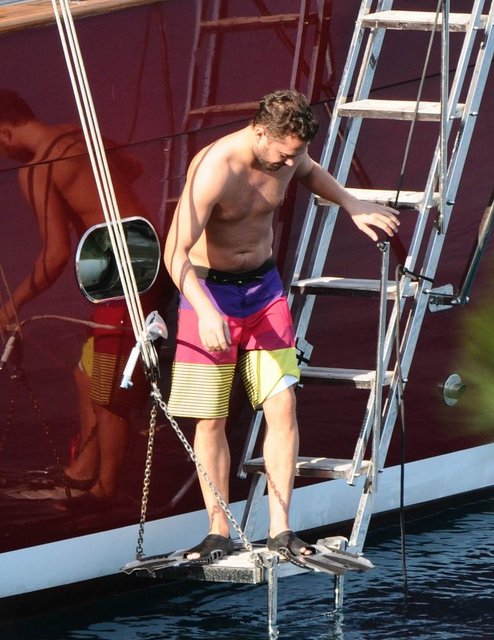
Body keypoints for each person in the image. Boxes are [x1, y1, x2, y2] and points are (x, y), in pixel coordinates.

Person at [164, 89, 399, 563]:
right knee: (211, 417)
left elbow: (310, 171)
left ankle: (281, 530)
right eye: (285, 154)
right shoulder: (216, 168)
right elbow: (174, 252)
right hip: (208, 293)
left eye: (298, 153)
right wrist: (206, 311)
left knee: (283, 404)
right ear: (259, 133)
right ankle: (218, 531)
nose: (292, 162)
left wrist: (351, 203)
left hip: (264, 292)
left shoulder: (290, 155)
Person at [0, 88, 159, 502]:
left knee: (109, 389)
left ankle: (104, 490)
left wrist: (10, 305)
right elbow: (135, 166)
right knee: (85, 372)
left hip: (125, 274)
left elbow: (54, 256)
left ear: (4, 133)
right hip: (145, 255)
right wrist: (91, 202)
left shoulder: (38, 168)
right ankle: (85, 468)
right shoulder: (79, 134)